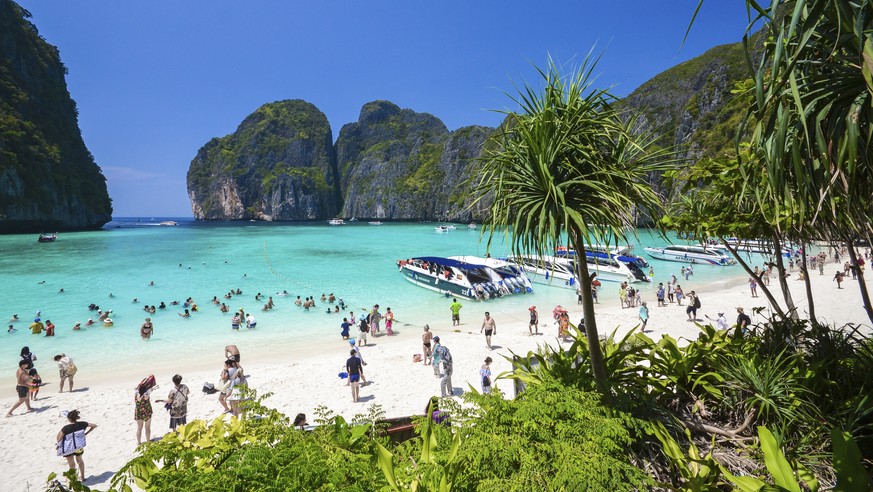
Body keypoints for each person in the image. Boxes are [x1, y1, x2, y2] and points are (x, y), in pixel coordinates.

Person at [56, 410, 97, 482]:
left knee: (71, 464)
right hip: (78, 446)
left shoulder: (65, 428)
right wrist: (87, 433)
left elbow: (59, 439)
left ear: (69, 419)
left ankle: (74, 479)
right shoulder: (83, 424)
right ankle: (83, 477)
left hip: (68, 448)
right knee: (80, 461)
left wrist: (57, 445)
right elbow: (94, 425)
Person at [134, 375, 156, 445]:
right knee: (147, 427)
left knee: (139, 428)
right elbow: (149, 392)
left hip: (139, 412)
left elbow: (139, 390)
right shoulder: (146, 396)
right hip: (147, 412)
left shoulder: (136, 394)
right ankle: (148, 441)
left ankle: (139, 442)